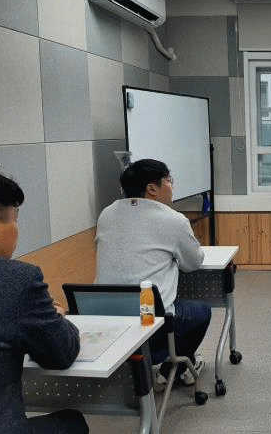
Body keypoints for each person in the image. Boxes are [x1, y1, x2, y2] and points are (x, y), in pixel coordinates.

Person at [95, 159, 209, 386]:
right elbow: (193, 263)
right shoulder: (174, 220)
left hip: (103, 318)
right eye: (168, 181)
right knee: (201, 312)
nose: (172, 186)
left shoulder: (106, 214)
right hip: (148, 321)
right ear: (152, 188)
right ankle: (172, 368)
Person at [0, 169, 89, 434]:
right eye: (15, 220)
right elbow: (61, 354)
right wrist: (56, 316)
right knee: (73, 422)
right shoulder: (18, 280)